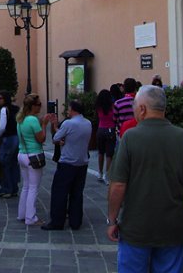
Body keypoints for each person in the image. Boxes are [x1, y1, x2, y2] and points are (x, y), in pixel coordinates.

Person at [107, 85, 183, 272]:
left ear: (143, 109)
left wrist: (112, 220)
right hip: (173, 225)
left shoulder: (130, 138)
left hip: (136, 227)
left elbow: (118, 185)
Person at [42, 99, 93, 231]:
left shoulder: (69, 124)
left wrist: (55, 127)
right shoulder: (88, 123)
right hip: (82, 162)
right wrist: (57, 127)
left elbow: (55, 139)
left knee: (60, 192)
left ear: (73, 110)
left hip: (68, 162)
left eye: (69, 109)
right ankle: (75, 221)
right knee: (77, 193)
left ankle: (57, 222)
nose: (68, 111)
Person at [16, 94, 50, 225]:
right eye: (39, 104)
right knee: (33, 188)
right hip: (33, 155)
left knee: (26, 186)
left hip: (22, 154)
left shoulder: (21, 119)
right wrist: (44, 125)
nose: (41, 106)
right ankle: (31, 217)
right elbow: (41, 138)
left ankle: (22, 214)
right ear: (33, 106)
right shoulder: (33, 120)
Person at [0, 90, 20, 198]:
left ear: (5, 99)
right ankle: (14, 188)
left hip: (8, 139)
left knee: (4, 164)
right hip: (16, 138)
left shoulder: (4, 109)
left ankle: (6, 189)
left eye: (0, 98)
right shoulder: (16, 109)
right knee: (13, 164)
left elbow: (2, 126)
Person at [95, 89, 117, 184]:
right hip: (110, 130)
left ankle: (100, 173)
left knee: (100, 152)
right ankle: (107, 175)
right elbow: (115, 118)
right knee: (109, 154)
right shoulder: (112, 107)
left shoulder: (98, 107)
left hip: (100, 129)